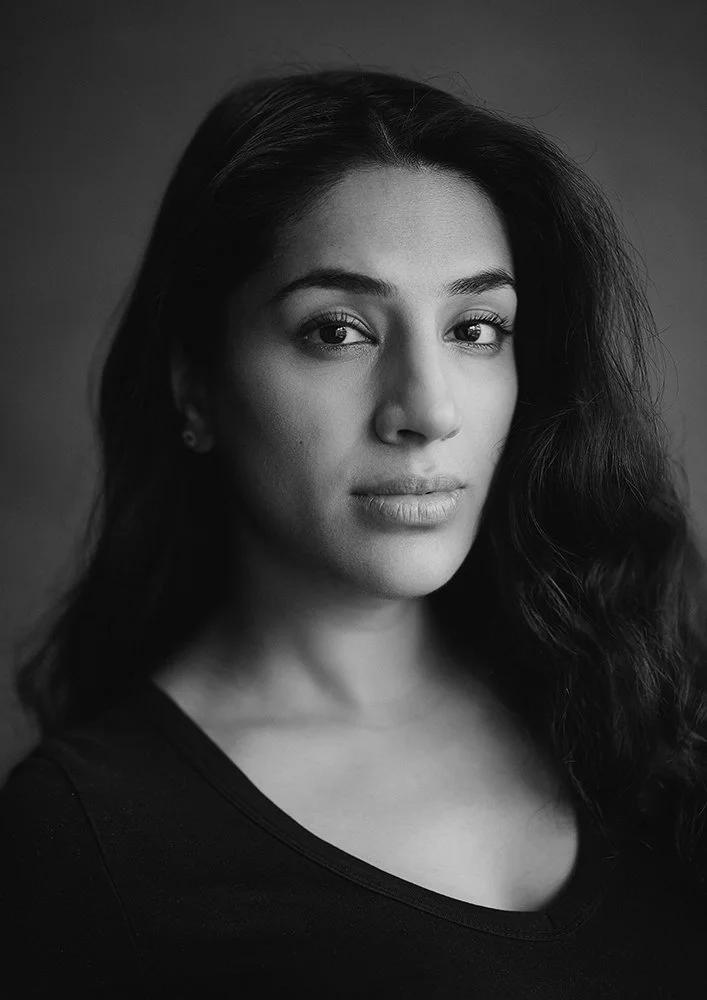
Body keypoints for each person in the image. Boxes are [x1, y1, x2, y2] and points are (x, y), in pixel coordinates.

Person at [1, 66, 706, 998]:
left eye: (476, 328)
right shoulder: (84, 836)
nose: (425, 410)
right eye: (337, 330)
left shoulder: (642, 690)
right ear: (195, 386)